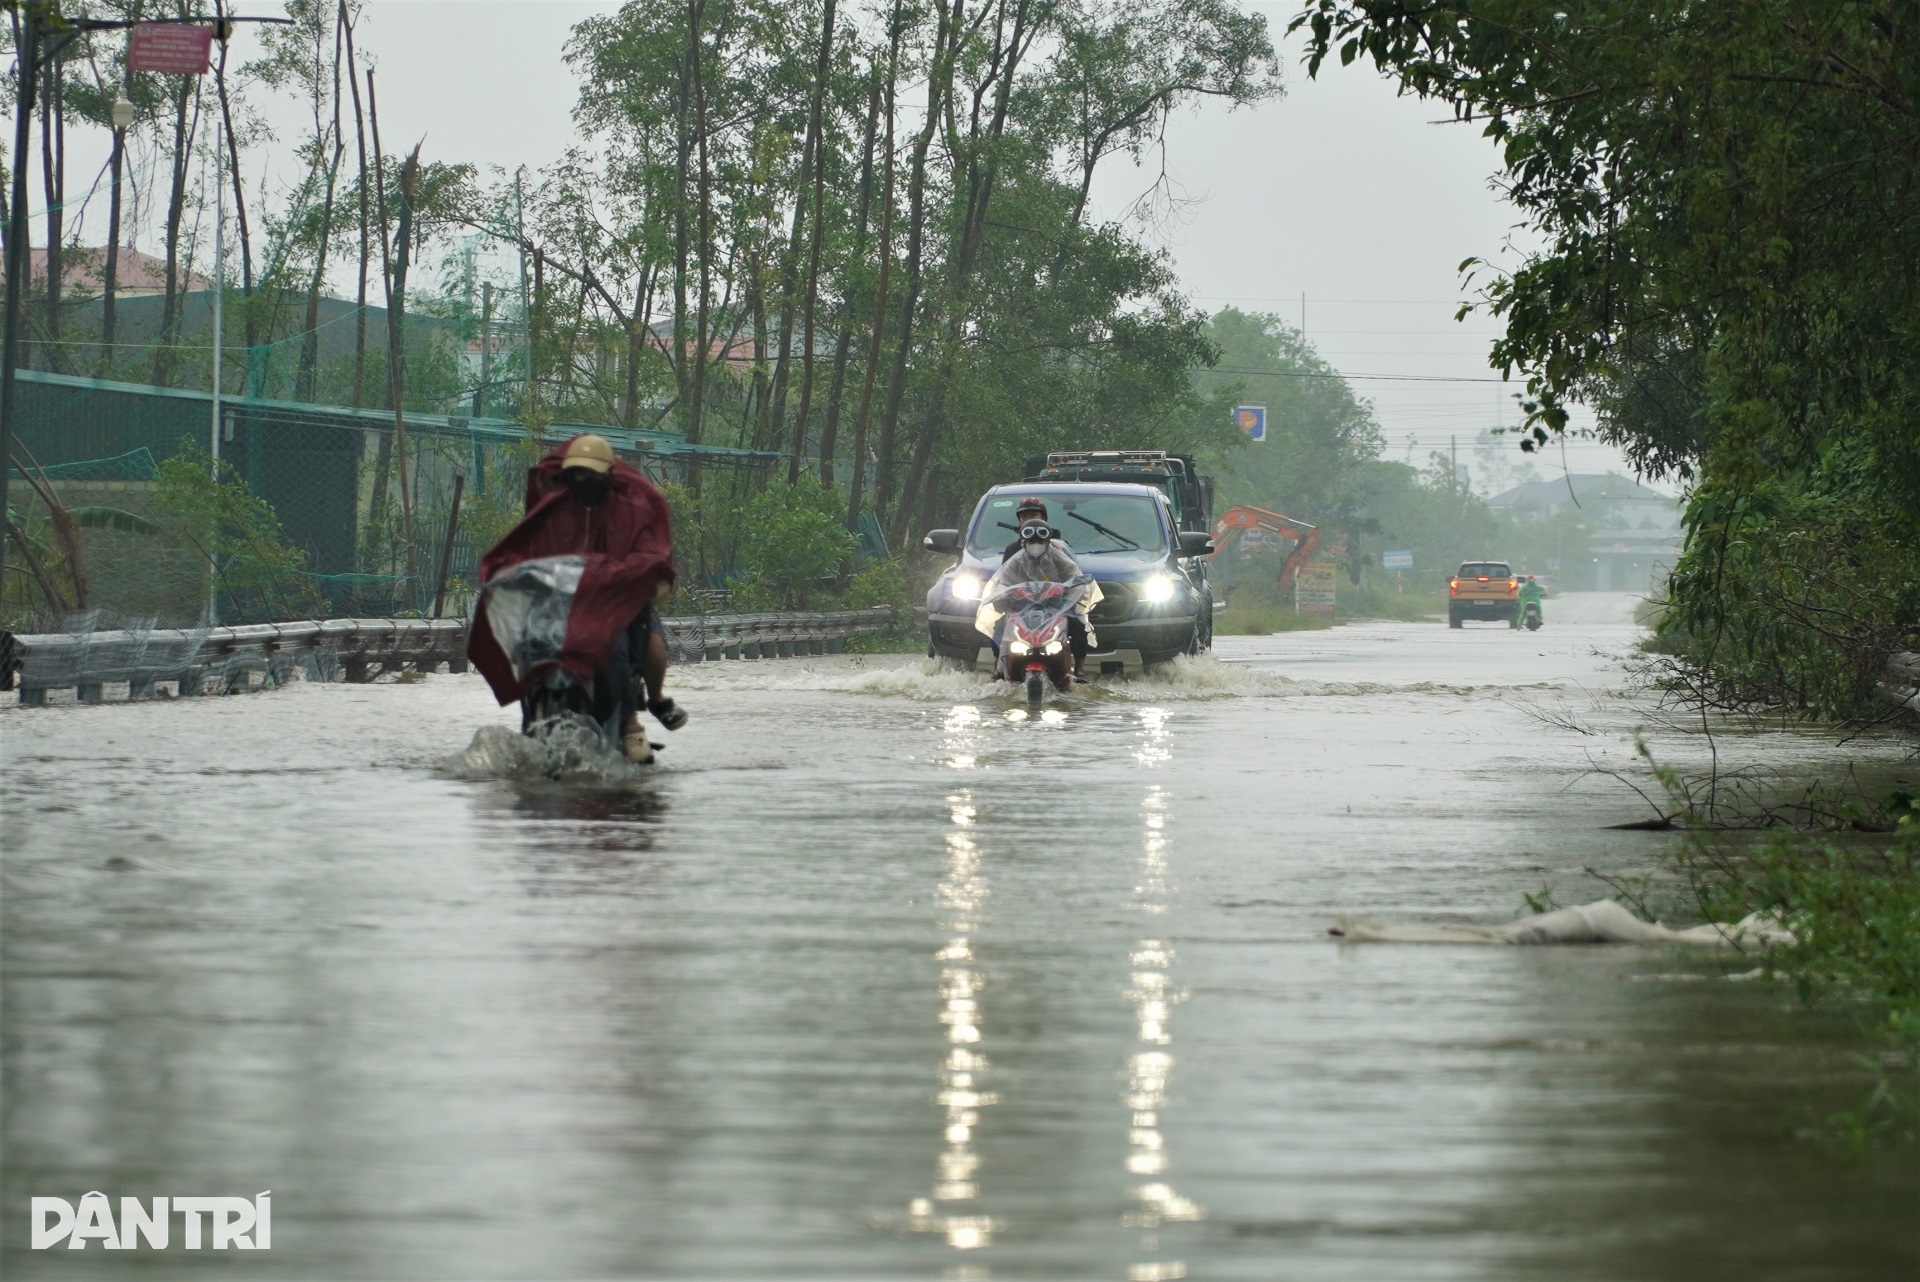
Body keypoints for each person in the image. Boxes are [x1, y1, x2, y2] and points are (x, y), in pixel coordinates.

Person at [468, 433, 687, 761]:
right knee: (528, 643)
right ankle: (533, 714)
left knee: (650, 645)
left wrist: (635, 573)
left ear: (607, 475)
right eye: (576, 474)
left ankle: (642, 711)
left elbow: (650, 552)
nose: (582, 481)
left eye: (590, 474)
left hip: (620, 600)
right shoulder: (554, 510)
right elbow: (525, 550)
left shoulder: (632, 509)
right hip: (562, 606)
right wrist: (507, 574)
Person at [976, 512, 1103, 678]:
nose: (1035, 544)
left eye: (1040, 541)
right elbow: (1004, 583)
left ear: (1047, 540)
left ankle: (1079, 668)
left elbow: (1075, 576)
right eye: (1031, 541)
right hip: (1021, 610)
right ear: (1024, 542)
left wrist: (1068, 589)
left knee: (1078, 627)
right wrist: (1004, 594)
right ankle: (999, 667)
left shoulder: (1058, 557)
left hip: (1055, 608)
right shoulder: (1016, 560)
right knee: (998, 626)